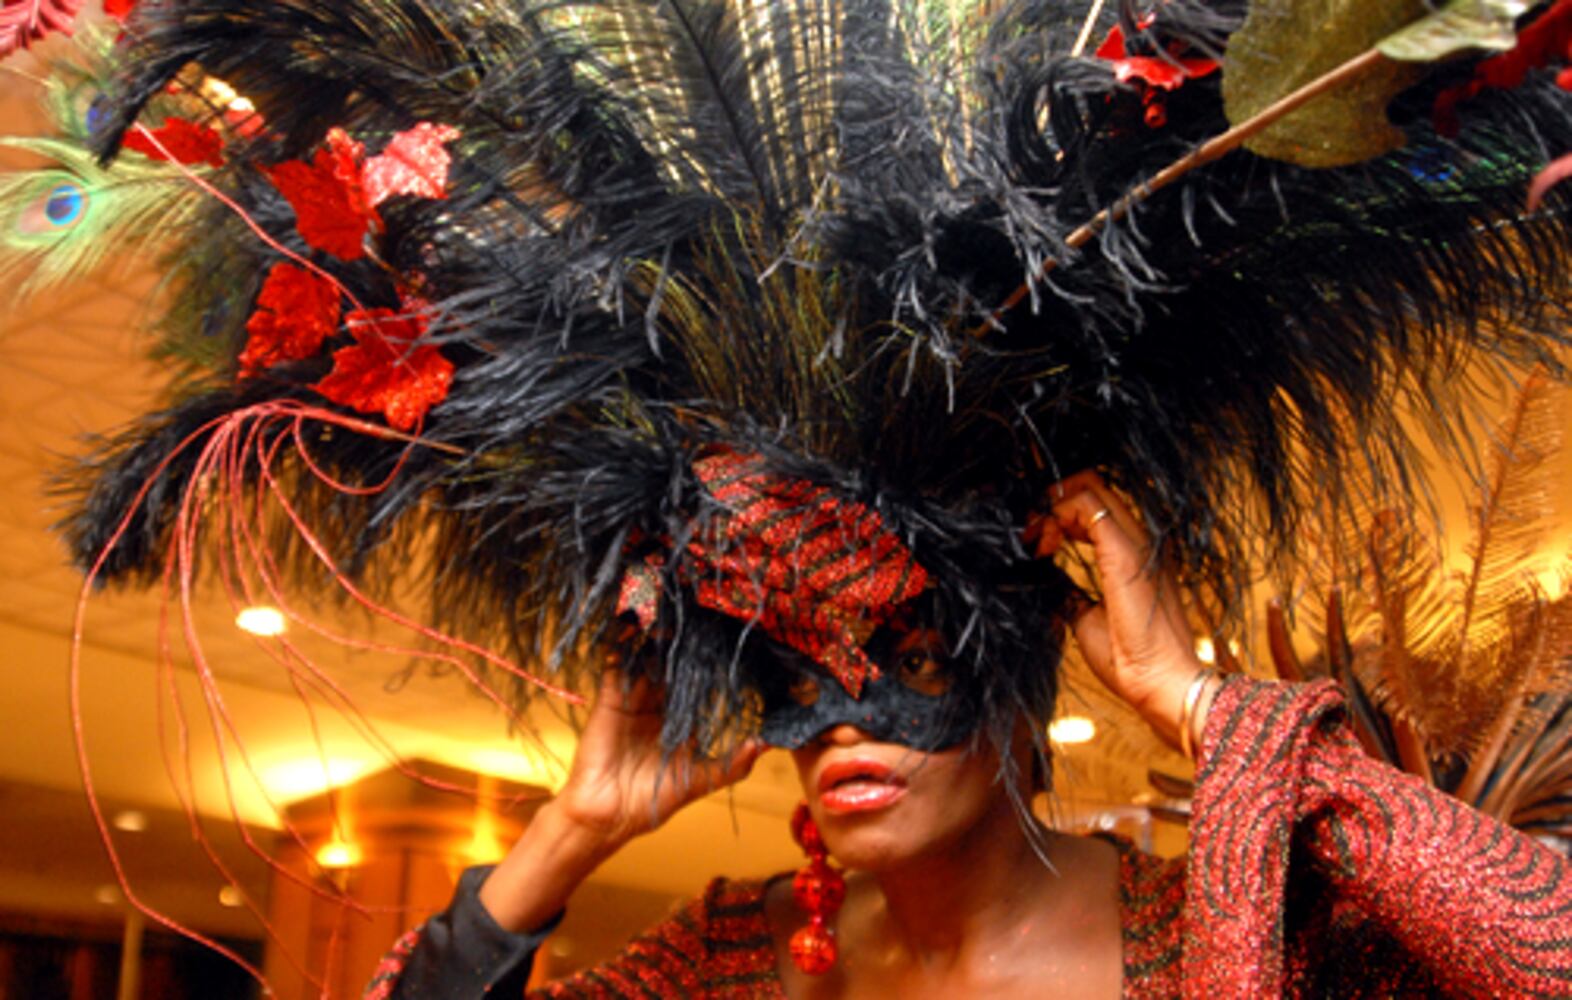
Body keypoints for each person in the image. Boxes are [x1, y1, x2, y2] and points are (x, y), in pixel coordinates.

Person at [366, 471, 1572, 998]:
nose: (847, 722)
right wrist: (571, 834)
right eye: (796, 674)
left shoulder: (1231, 932)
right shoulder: (725, 962)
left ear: (1014, 687)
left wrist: (1196, 702)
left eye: (912, 661)